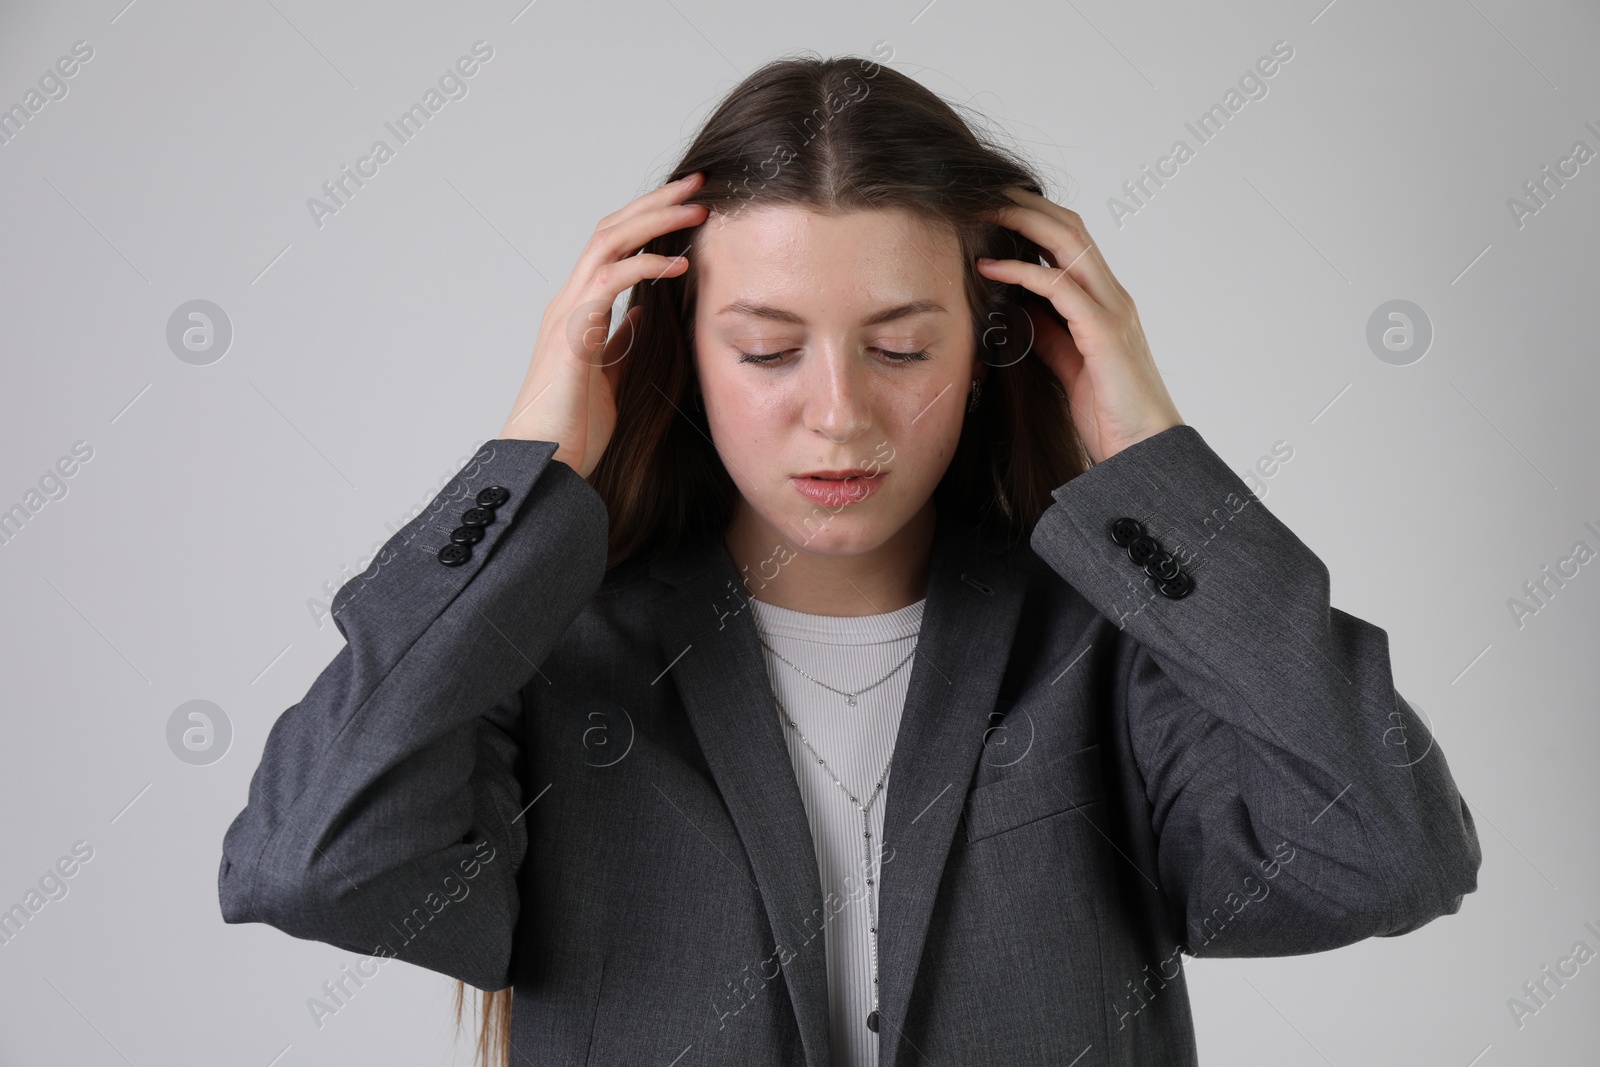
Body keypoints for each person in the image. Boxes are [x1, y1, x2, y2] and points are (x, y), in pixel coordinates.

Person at [217, 54, 1481, 1067]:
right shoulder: (552, 650)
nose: (838, 414)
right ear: (675, 350)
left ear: (996, 345)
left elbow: (1388, 850)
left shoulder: (1099, 646)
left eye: (900, 346)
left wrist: (1152, 459)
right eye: (767, 349)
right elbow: (315, 859)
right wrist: (526, 464)